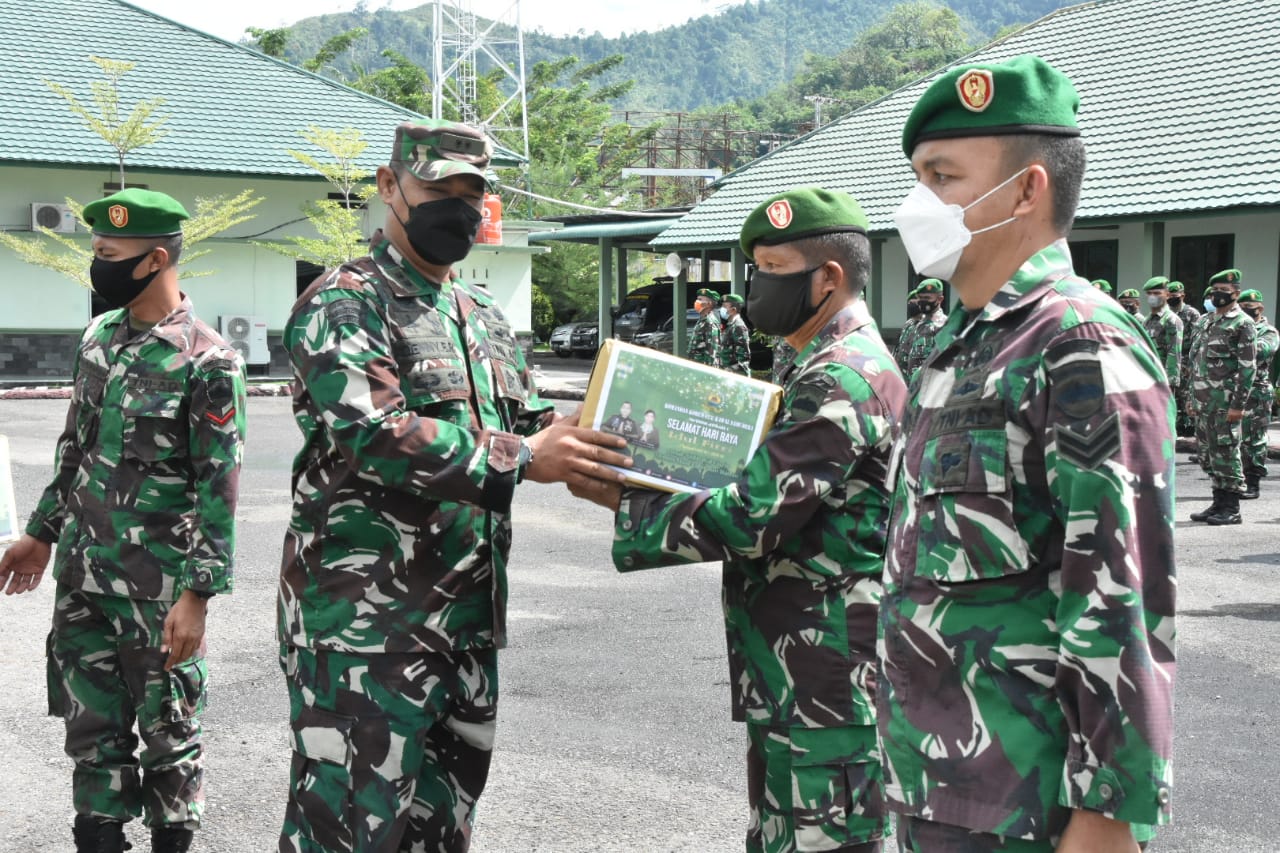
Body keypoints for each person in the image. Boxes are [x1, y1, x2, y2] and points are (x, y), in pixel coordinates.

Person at [276, 118, 630, 852]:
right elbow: (376, 433)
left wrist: (621, 438)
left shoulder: (480, 315)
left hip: (465, 625)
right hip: (365, 632)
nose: (458, 206)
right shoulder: (346, 301)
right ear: (389, 186)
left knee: (442, 832)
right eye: (439, 186)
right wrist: (524, 458)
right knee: (348, 830)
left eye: (473, 191)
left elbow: (528, 420)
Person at [881, 55, 1175, 851]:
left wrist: (1109, 814)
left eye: (942, 176)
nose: (919, 202)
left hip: (1028, 812)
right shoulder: (963, 345)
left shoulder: (1080, 344)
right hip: (938, 785)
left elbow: (1121, 596)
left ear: (1025, 190)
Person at [574, 186, 907, 853]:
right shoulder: (821, 362)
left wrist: (616, 492)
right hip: (803, 671)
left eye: (773, 269)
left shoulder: (841, 375)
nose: (756, 285)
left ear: (829, 278)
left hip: (825, 679)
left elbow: (752, 516)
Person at [0, 189, 247, 853]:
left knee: (170, 740)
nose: (97, 264)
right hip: (83, 582)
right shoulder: (98, 339)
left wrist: (197, 594)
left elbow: (218, 487)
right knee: (91, 738)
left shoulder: (208, 359)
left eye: (109, 255)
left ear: (155, 258)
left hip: (158, 591)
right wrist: (40, 533)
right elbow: (74, 449)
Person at [1187, 268, 1256, 525]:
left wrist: (1238, 405)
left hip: (1226, 402)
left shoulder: (1243, 324)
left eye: (1223, 292)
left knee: (1226, 452)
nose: (1217, 296)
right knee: (1208, 454)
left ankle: (1231, 507)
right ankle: (1217, 502)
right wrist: (1191, 399)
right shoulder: (1205, 321)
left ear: (1236, 293)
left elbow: (1247, 368)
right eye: (1214, 292)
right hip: (1203, 401)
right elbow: (1194, 362)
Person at [1236, 289, 1276, 499]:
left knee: (1255, 438)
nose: (1244, 313)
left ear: (1260, 309)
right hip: (1236, 391)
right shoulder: (1237, 328)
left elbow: (1259, 351)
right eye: (1241, 309)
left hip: (1257, 392)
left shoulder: (1268, 331)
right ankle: (1238, 478)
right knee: (1237, 438)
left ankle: (1253, 482)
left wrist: (1238, 341)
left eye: (1248, 309)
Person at [1168, 280, 1200, 437]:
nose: (1173, 298)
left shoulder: (1192, 314)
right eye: (1170, 295)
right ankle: (1174, 425)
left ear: (1183, 295)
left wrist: (1192, 362)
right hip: (1170, 359)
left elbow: (1197, 339)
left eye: (1176, 295)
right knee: (1170, 394)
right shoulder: (1165, 314)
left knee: (1185, 394)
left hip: (1186, 358)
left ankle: (1188, 426)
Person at [1141, 276, 1183, 396]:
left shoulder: (1171, 320)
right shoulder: (1146, 320)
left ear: (1167, 295)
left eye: (1157, 293)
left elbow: (1174, 353)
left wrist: (1170, 384)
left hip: (1162, 380)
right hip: (1147, 377)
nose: (1152, 296)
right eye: (1149, 293)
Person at [902, 279, 947, 381]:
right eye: (920, 298)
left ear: (940, 299)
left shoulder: (943, 325)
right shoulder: (917, 324)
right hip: (912, 385)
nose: (922, 301)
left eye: (927, 298)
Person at [720, 293, 753, 375]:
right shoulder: (730, 325)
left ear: (733, 310)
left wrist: (733, 373)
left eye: (725, 306)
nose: (722, 309)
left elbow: (743, 356)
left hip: (734, 374)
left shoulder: (738, 326)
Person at [689, 287, 723, 366]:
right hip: (697, 366)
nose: (697, 302)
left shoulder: (710, 322)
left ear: (709, 303)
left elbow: (712, 351)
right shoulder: (702, 319)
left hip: (703, 368)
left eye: (700, 299)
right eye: (697, 299)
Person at [893, 286, 923, 372]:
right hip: (902, 371)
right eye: (910, 303)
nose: (912, 306)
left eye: (915, 303)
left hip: (916, 372)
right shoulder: (908, 323)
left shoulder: (926, 325)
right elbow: (899, 346)